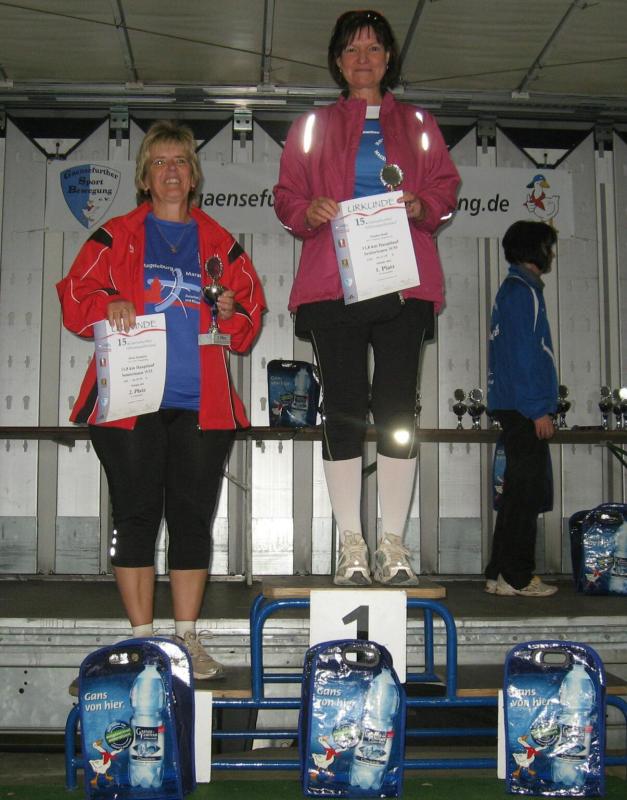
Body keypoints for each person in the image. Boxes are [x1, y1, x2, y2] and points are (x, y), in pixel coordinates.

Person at [57, 120, 265, 678]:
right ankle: (143, 641)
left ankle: (188, 639)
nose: (170, 171)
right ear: (144, 178)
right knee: (136, 516)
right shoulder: (113, 236)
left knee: (193, 520)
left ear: (193, 176)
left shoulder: (221, 242)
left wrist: (230, 313)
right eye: (159, 163)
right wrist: (107, 304)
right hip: (129, 405)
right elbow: (74, 298)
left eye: (180, 162)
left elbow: (248, 318)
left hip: (203, 406)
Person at [273, 10, 459, 586]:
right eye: (352, 49)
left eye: (374, 48)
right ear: (337, 60)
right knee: (344, 408)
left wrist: (423, 205)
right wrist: (307, 210)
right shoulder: (311, 125)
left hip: (403, 280)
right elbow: (286, 196)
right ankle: (352, 543)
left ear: (388, 58)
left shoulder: (420, 123)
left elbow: (445, 187)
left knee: (399, 410)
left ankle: (393, 543)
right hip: (334, 283)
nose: (363, 59)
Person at [485, 220, 559, 598]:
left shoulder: (514, 290)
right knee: (526, 493)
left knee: (516, 493)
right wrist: (537, 409)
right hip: (524, 408)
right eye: (548, 246)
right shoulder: (523, 293)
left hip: (515, 406)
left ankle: (500, 573)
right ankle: (517, 576)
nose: (552, 254)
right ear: (535, 249)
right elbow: (525, 354)